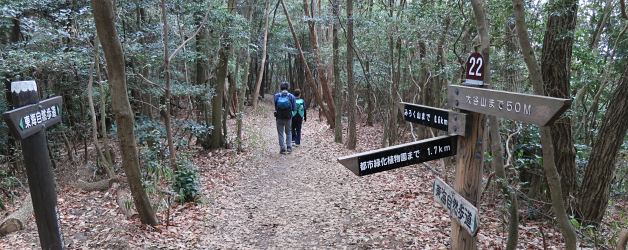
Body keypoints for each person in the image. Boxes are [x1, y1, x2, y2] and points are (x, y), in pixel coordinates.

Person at [274, 82, 296, 154]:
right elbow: (294, 108)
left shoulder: (276, 96)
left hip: (279, 117)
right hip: (288, 117)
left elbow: (276, 107)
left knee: (280, 133)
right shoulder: (291, 96)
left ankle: (282, 148)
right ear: (288, 88)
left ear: (280, 88)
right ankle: (289, 147)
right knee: (288, 132)